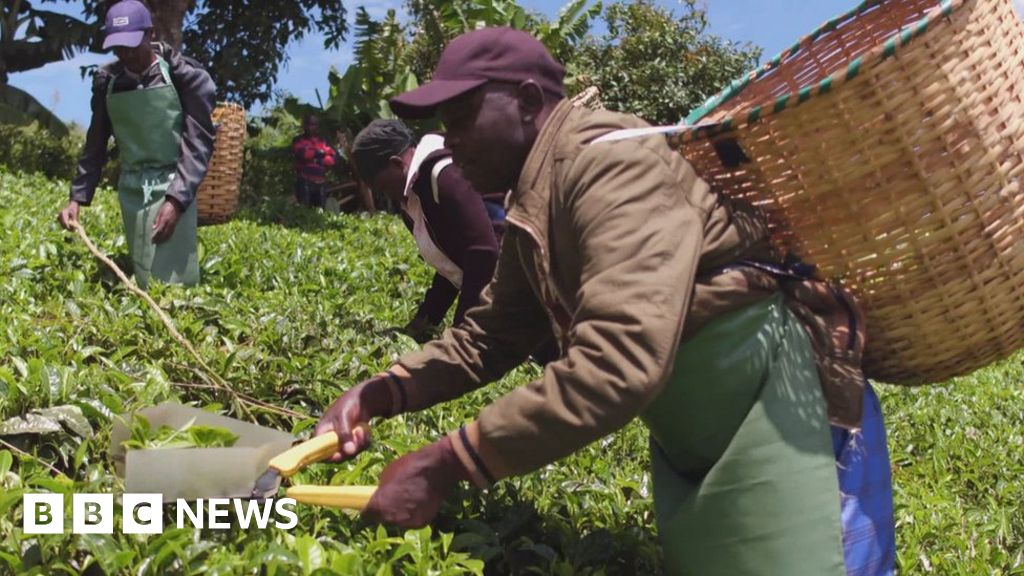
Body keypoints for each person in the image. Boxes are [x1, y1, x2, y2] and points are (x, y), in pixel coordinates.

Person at [315, 27, 895, 576]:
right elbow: (489, 337)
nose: (451, 137)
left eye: (463, 116)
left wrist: (446, 463)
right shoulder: (536, 197)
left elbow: (619, 360)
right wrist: (379, 392)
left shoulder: (607, 164)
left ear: (525, 100)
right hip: (701, 433)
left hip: (784, 421)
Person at [57, 0, 215, 290]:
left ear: (150, 35)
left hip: (174, 182)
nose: (126, 54)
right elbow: (96, 143)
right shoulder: (108, 81)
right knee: (144, 272)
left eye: (132, 45)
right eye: (119, 47)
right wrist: (76, 198)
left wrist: (177, 200)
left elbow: (198, 142)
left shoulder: (185, 76)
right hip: (131, 186)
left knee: (175, 284)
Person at [351, 119, 502, 342]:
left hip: (535, 284)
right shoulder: (411, 202)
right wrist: (421, 325)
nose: (388, 196)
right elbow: (451, 267)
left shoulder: (445, 175)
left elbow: (484, 253)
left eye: (384, 187)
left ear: (396, 163)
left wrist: (461, 332)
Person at [292, 114, 339, 209]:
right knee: (304, 211)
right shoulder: (298, 140)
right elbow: (302, 154)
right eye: (308, 124)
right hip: (305, 181)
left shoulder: (323, 141)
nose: (310, 127)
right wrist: (322, 153)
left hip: (320, 183)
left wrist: (316, 158)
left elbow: (332, 159)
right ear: (304, 125)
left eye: (313, 124)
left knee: (321, 211)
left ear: (317, 126)